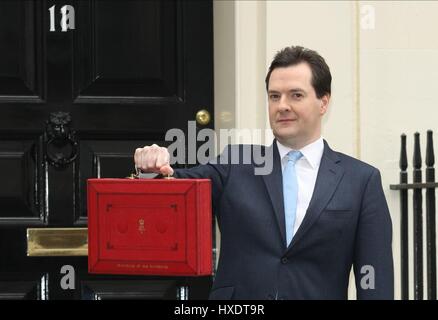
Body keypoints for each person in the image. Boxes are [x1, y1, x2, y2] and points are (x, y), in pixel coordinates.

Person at [134, 46, 394, 300]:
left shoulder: (361, 181)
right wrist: (151, 170)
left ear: (323, 102)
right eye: (274, 96)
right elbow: (174, 191)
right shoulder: (236, 163)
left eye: (296, 95)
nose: (282, 105)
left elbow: (374, 278)